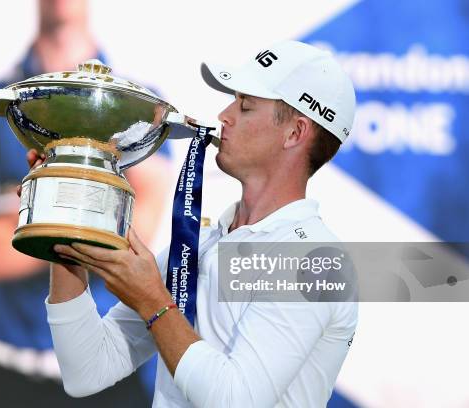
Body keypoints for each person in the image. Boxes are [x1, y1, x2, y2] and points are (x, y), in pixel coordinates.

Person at [42, 40, 359, 407]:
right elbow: (87, 369)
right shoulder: (202, 242)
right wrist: (64, 216)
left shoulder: (315, 260)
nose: (225, 115)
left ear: (295, 133)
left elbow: (235, 399)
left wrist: (153, 301)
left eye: (245, 105)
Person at [0, 0, 172, 406]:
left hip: (110, 372)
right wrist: (96, 210)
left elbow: (143, 238)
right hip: (5, 376)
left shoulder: (143, 105)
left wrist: (37, 209)